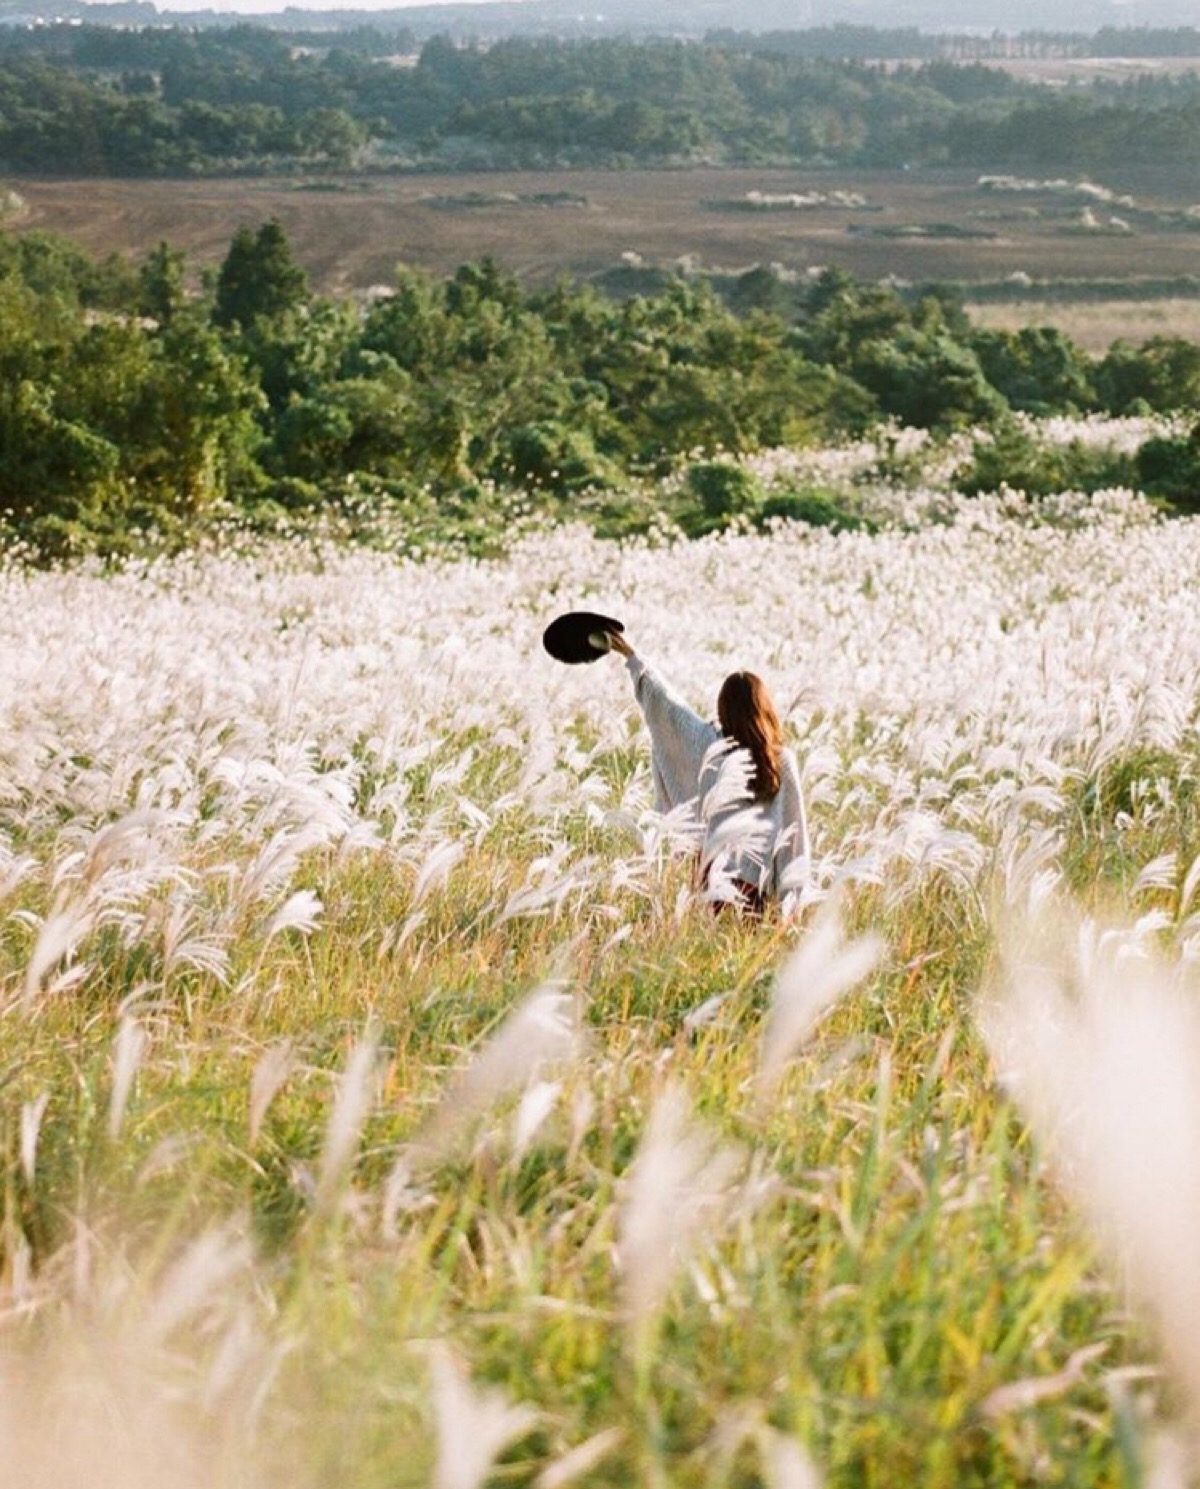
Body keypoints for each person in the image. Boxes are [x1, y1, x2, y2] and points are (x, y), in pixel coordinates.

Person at [602, 630, 809, 914]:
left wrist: (633, 657)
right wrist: (792, 902)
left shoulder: (708, 745)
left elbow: (668, 709)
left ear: (723, 708)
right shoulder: (780, 760)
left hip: (708, 881)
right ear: (765, 710)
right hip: (754, 890)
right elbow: (795, 836)